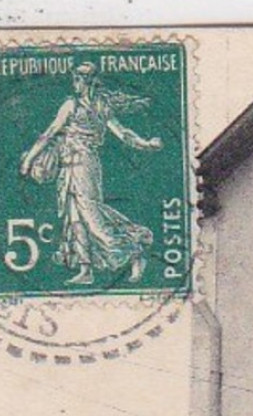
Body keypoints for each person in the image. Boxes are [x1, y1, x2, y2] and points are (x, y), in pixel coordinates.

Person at [19, 62, 161, 286]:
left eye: (77, 79)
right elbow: (51, 133)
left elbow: (122, 133)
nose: (74, 83)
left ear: (86, 82)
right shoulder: (75, 104)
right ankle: (86, 270)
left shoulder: (92, 105)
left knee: (92, 216)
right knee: (74, 218)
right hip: (68, 166)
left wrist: (145, 144)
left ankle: (133, 250)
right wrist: (30, 159)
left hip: (85, 164)